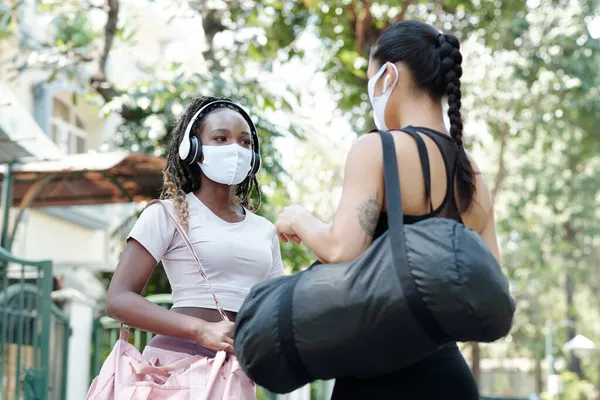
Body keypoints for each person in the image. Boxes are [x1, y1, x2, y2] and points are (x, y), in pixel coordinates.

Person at [275, 20, 500, 399]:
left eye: (370, 79)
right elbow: (489, 291)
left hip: (377, 380)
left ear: (388, 76)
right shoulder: (472, 172)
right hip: (449, 379)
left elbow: (340, 249)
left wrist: (298, 217)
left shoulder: (376, 149)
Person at [105, 96, 284, 366]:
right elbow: (118, 300)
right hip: (175, 367)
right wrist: (201, 330)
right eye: (221, 138)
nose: (235, 149)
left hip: (236, 370)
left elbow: (276, 310)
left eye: (245, 142)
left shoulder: (265, 231)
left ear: (254, 157)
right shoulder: (167, 214)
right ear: (194, 148)